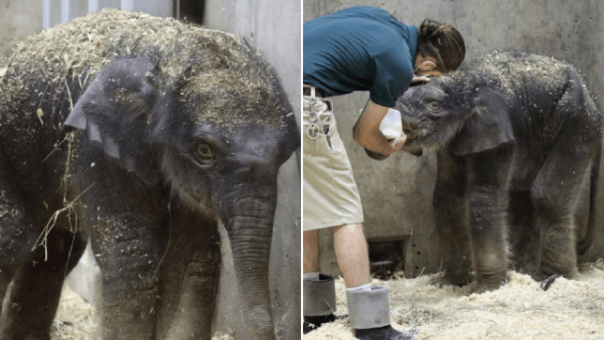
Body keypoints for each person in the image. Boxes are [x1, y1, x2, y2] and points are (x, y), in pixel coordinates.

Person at [302, 6, 466, 340]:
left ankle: (312, 314)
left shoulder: (384, 22)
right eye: (432, 77)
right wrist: (396, 144)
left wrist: (403, 77)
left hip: (281, 94)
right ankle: (372, 327)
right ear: (429, 65)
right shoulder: (395, 63)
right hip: (308, 108)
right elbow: (364, 135)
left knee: (308, 209)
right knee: (345, 212)